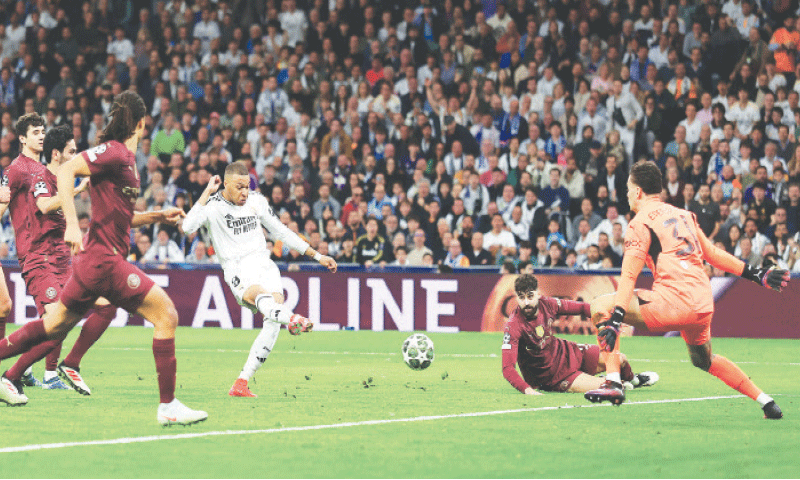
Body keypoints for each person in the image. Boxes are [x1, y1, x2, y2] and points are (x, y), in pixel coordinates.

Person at [0, 92, 206, 425]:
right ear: (141, 122)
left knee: (54, 325)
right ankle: (166, 405)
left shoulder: (125, 160)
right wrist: (71, 224)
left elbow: (122, 216)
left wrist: (157, 215)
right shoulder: (115, 152)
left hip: (92, 262)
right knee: (166, 314)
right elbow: (67, 171)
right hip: (103, 261)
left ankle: (31, 369)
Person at [585, 161, 788, 420]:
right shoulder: (684, 215)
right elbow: (712, 254)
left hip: (673, 302)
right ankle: (766, 400)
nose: (626, 195)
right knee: (704, 360)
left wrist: (615, 318)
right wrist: (757, 274)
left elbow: (628, 275)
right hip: (703, 303)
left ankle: (613, 382)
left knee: (600, 306)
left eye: (627, 189)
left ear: (637, 192)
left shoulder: (640, 223)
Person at [182, 161, 337, 398]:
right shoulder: (213, 206)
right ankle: (293, 318)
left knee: (272, 320)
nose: (244, 192)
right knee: (264, 301)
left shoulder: (256, 201)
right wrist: (206, 192)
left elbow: (281, 232)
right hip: (237, 269)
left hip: (264, 264)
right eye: (239, 187)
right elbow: (187, 226)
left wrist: (317, 255)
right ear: (225, 184)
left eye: (247, 186)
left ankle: (241, 382)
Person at [0, 122, 118, 404]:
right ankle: (17, 375)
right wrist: (75, 192)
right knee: (53, 323)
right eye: (72, 152)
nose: (77, 157)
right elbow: (42, 206)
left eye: (43, 132)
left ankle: (65, 365)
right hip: (38, 256)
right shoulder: (33, 174)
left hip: (62, 257)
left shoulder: (54, 175)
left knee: (103, 305)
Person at [502, 274, 658, 394]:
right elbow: (508, 368)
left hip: (567, 353)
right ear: (517, 298)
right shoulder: (513, 326)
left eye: (530, 296)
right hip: (551, 377)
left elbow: (583, 308)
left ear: (537, 294)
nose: (527, 302)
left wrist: (610, 318)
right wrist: (527, 390)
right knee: (610, 385)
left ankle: (634, 379)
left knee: (621, 359)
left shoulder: (547, 304)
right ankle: (604, 381)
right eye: (522, 298)